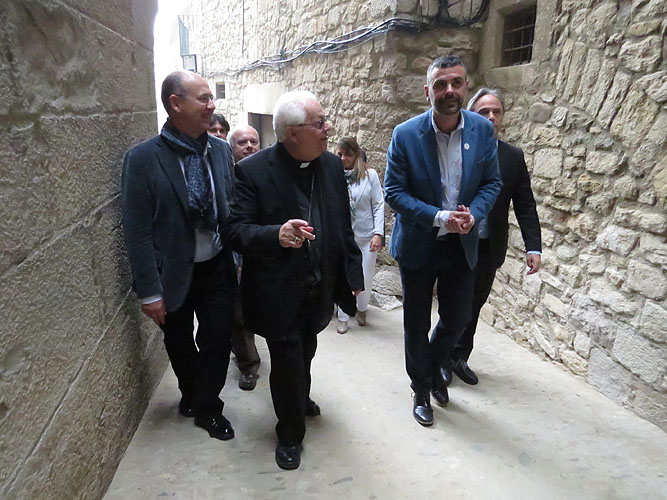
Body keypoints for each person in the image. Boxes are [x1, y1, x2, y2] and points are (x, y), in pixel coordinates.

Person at [228, 90, 363, 470]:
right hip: (278, 290)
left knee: (307, 349)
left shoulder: (331, 166)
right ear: (292, 133)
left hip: (319, 287)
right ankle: (289, 433)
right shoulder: (252, 171)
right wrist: (276, 234)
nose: (328, 129)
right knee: (287, 360)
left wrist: (352, 273)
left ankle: (300, 398)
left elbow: (342, 225)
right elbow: (235, 231)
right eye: (319, 123)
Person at [384, 55, 502, 426]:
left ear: (466, 87)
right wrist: (438, 216)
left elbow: (492, 183)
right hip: (420, 242)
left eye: (455, 83)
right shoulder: (406, 134)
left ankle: (433, 367)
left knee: (458, 317)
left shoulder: (481, 131)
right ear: (428, 91)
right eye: (440, 84)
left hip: (461, 243)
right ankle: (421, 389)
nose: (449, 90)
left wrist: (474, 214)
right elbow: (394, 191)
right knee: (416, 322)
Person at [121, 70, 237, 440]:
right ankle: (193, 393)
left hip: (217, 266)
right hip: (170, 271)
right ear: (175, 103)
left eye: (211, 98)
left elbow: (230, 208)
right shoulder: (142, 159)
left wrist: (237, 259)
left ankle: (208, 408)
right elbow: (137, 229)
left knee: (218, 340)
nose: (212, 105)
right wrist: (149, 291)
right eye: (203, 98)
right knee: (180, 341)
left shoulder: (220, 151)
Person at [445, 88, 542, 385]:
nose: (490, 117)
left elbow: (524, 203)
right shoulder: (455, 149)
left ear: (502, 117)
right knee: (454, 304)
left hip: (489, 245)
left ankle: (459, 357)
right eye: (483, 111)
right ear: (470, 115)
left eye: (496, 111)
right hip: (455, 243)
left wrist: (534, 247)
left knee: (475, 304)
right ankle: (441, 358)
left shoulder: (512, 157)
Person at [334, 137, 384, 334]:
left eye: (347, 154)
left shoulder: (370, 176)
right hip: (343, 236)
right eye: (339, 154)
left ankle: (362, 308)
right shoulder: (334, 176)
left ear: (356, 155)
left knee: (365, 276)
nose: (343, 158)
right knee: (344, 275)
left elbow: (378, 205)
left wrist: (378, 233)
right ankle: (343, 316)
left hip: (366, 235)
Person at [227, 124, 262, 390]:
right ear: (231, 149)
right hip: (236, 253)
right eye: (242, 142)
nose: (249, 146)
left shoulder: (268, 174)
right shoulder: (225, 178)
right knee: (238, 313)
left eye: (253, 141)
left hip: (265, 252)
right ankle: (249, 365)